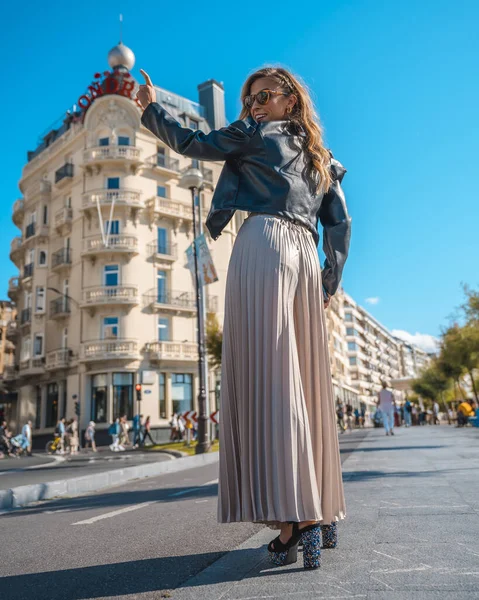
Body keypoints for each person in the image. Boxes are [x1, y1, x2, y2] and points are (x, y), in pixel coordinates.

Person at [137, 64, 350, 569]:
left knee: (270, 382)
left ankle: (295, 518)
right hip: (303, 254)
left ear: (290, 100)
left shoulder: (255, 136)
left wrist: (149, 108)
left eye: (264, 96)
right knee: (301, 383)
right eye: (249, 99)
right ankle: (316, 509)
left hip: (264, 247)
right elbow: (339, 226)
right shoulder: (323, 158)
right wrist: (328, 280)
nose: (254, 106)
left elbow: (193, 144)